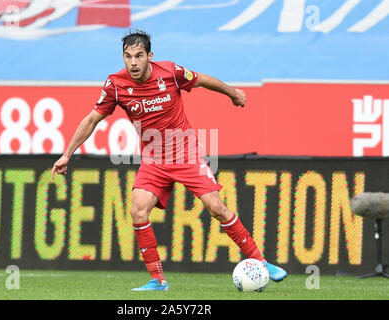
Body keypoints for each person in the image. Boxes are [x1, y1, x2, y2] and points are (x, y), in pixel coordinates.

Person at [51, 30, 287, 291]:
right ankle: (158, 280)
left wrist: (232, 93)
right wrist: (66, 154)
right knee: (138, 209)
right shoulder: (115, 85)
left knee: (216, 208)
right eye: (128, 57)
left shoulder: (170, 72)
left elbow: (201, 80)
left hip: (186, 154)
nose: (133, 63)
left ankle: (261, 262)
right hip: (153, 160)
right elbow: (91, 120)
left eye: (139, 56)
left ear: (150, 56)